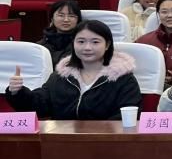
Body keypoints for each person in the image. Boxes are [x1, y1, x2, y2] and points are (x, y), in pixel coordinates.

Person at [5, 19, 141, 120]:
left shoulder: (124, 79)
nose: (87, 47)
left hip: (105, 142)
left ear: (107, 45)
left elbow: (128, 115)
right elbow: (40, 106)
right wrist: (18, 92)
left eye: (95, 42)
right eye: (81, 41)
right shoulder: (61, 76)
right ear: (73, 44)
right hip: (62, 141)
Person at [38, 0, 82, 65]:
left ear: (78, 20)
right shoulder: (41, 45)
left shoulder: (82, 44)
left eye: (71, 16)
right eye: (61, 15)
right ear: (52, 19)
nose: (66, 20)